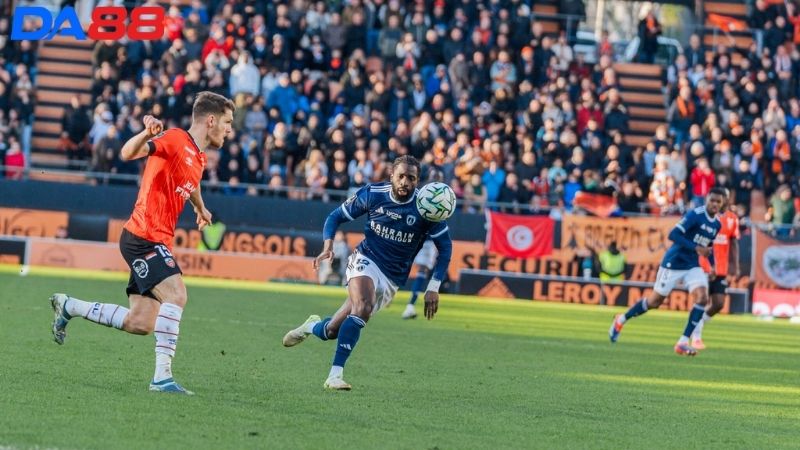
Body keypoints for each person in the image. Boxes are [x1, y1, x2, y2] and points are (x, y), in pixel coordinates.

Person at [49, 91, 235, 395]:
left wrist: (199, 207)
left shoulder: (199, 156)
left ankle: (69, 306)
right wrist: (145, 133)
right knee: (177, 295)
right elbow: (127, 153)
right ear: (211, 120)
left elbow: (191, 182)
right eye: (227, 122)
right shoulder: (175, 139)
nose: (229, 129)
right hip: (143, 236)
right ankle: (162, 378)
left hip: (156, 239)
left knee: (140, 322)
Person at [282, 155, 453, 390]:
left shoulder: (426, 208)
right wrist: (328, 246)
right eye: (401, 176)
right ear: (391, 175)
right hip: (365, 259)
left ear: (417, 182)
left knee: (331, 330)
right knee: (363, 306)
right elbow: (335, 217)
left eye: (411, 178)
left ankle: (311, 326)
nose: (405, 182)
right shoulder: (374, 193)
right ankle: (334, 376)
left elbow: (445, 249)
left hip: (392, 279)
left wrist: (433, 288)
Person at [609, 187, 726, 356]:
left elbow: (708, 246)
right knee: (654, 302)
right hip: (673, 263)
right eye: (712, 200)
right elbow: (673, 235)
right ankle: (621, 319)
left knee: (702, 298)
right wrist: (696, 248)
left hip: (692, 265)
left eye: (718, 202)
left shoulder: (717, 224)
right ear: (707, 199)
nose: (714, 204)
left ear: (722, 205)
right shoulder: (695, 215)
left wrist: (712, 264)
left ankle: (683, 342)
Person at [692, 189, 740, 349]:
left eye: (724, 198)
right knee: (702, 299)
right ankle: (696, 337)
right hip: (704, 266)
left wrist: (735, 265)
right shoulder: (706, 217)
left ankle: (699, 322)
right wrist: (706, 265)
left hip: (722, 267)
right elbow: (700, 243)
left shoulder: (732, 219)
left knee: (719, 303)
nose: (720, 201)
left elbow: (734, 243)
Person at [402, 238, 438, 319]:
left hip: (414, 241)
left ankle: (410, 306)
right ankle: (410, 306)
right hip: (427, 244)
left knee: (420, 273)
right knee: (422, 273)